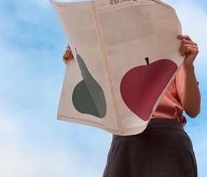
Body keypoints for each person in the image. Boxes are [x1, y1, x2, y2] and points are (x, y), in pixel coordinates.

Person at [62, 35, 201, 177]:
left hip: (166, 140)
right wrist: (79, 63)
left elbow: (193, 109)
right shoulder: (111, 58)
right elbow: (97, 102)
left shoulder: (174, 51)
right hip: (125, 139)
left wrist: (188, 65)